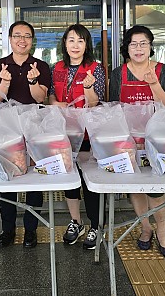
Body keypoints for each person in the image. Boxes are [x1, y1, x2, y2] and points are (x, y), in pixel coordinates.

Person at [109, 25, 165, 257]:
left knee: (155, 188)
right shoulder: (118, 74)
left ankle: (162, 229)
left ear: (150, 46)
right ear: (126, 48)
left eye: (143, 43)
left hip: (156, 139)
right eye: (133, 44)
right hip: (129, 141)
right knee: (135, 187)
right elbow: (114, 108)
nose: (138, 48)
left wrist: (154, 84)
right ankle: (145, 227)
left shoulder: (163, 70)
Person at [0, 21, 52, 249]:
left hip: (34, 128)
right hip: (6, 129)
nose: (22, 40)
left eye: (26, 36)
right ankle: (7, 229)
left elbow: (40, 98)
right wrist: (5, 82)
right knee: (8, 178)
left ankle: (31, 230)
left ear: (32, 40)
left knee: (35, 178)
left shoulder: (41, 66)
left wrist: (33, 80)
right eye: (17, 35)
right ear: (10, 39)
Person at [49, 24, 106, 250]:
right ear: (64, 43)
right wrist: (56, 103)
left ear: (86, 45)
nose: (75, 45)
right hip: (64, 133)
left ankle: (95, 225)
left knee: (90, 180)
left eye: (80, 41)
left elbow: (95, 102)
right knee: (70, 179)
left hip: (87, 134)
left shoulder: (95, 68)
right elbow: (51, 95)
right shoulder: (57, 67)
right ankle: (76, 221)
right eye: (71, 40)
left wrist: (89, 87)